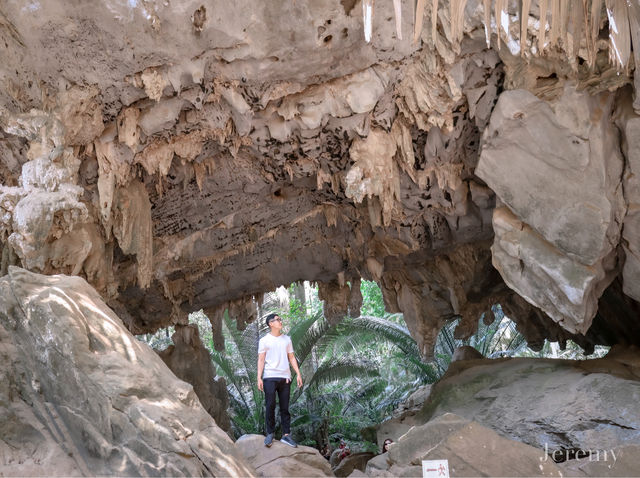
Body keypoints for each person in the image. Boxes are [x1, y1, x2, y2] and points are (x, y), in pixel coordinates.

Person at [257, 313, 303, 448]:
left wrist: (298, 374)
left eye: (280, 319)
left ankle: (286, 435)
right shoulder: (264, 340)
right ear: (270, 323)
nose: (280, 321)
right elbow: (261, 359)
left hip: (285, 377)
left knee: (285, 408)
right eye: (277, 320)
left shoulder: (287, 340)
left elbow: (292, 357)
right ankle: (270, 433)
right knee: (270, 405)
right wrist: (258, 377)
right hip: (269, 377)